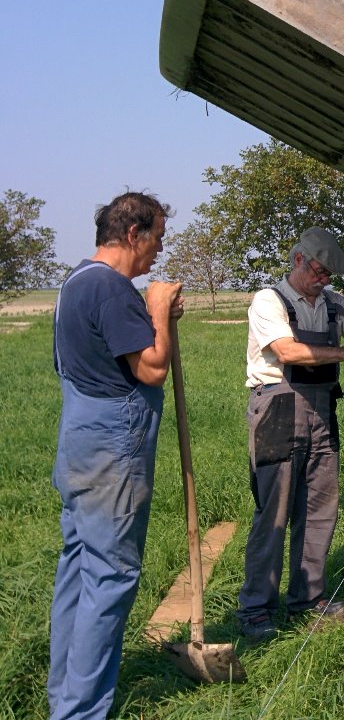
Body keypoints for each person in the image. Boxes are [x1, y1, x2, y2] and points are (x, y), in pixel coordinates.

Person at [48, 192, 183, 720]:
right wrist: (158, 309)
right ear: (133, 234)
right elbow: (151, 369)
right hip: (112, 445)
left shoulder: (75, 281)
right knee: (110, 575)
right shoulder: (111, 287)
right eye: (158, 239)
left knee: (79, 566)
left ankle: (64, 696)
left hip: (78, 439)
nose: (159, 251)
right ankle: (81, 712)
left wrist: (153, 315)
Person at [236, 228, 344, 641]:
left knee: (320, 507)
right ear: (297, 260)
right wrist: (343, 352)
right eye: (318, 271)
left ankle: (307, 600)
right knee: (274, 512)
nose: (322, 280)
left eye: (328, 275)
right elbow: (288, 351)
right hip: (278, 408)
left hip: (323, 408)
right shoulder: (268, 300)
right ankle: (256, 609)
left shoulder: (334, 303)